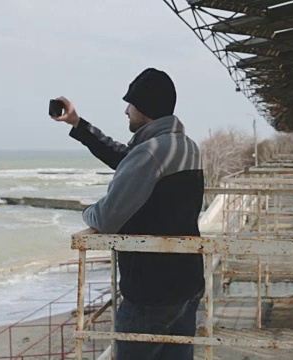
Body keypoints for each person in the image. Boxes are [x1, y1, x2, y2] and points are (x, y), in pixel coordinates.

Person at [51, 68, 205, 360]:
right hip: (188, 284)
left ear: (145, 108)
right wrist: (78, 124)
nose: (126, 111)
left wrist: (88, 212)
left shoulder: (150, 153)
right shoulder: (185, 146)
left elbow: (108, 218)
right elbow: (125, 158)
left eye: (130, 104)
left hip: (153, 293)